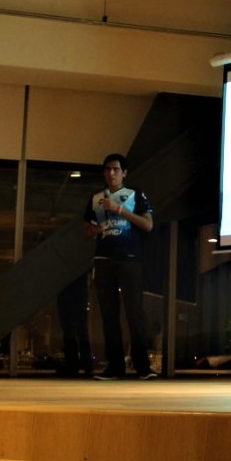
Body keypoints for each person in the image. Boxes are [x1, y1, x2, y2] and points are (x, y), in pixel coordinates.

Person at [84, 153, 159, 380]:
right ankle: (114, 367)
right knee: (109, 315)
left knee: (135, 313)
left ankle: (142, 366)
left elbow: (147, 225)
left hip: (129, 259)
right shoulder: (96, 198)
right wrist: (94, 229)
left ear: (124, 173)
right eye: (108, 169)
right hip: (103, 260)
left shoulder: (135, 194)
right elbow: (86, 232)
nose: (111, 173)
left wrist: (119, 210)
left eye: (116, 169)